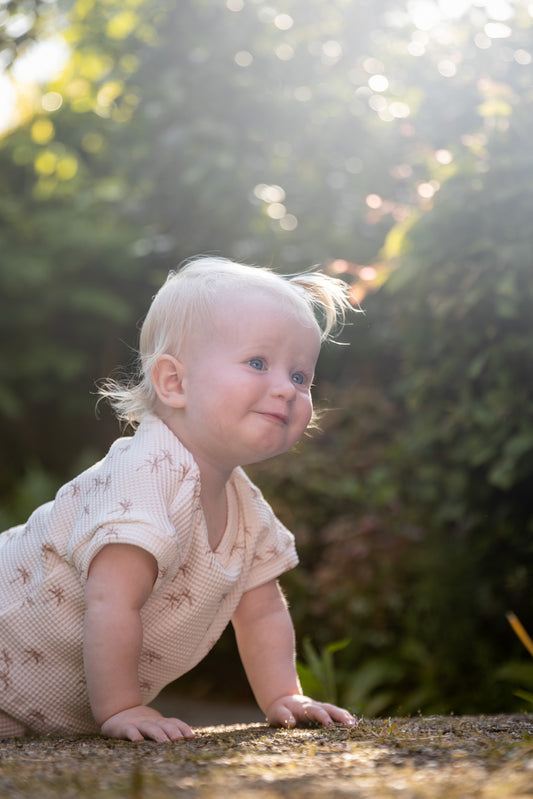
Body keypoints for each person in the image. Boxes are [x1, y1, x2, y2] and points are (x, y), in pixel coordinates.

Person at [0, 256, 356, 742]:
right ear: (174, 382)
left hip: (33, 709)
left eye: (300, 376)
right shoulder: (142, 476)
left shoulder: (244, 508)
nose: (286, 390)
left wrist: (284, 696)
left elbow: (263, 610)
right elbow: (111, 599)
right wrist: (123, 708)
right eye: (258, 363)